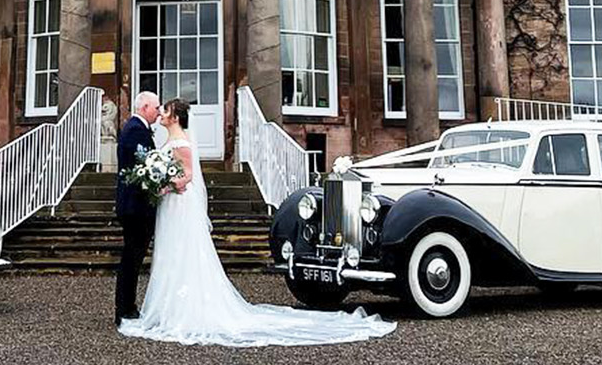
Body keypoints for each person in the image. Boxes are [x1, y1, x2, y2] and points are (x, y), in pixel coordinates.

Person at [118, 99, 396, 347]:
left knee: (183, 253)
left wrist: (165, 186)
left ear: (175, 117)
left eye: (164, 110)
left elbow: (187, 176)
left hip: (177, 203)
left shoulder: (181, 143)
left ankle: (181, 309)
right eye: (158, 109)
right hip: (169, 207)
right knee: (170, 255)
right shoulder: (165, 139)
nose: (160, 114)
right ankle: (166, 308)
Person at [114, 91, 162, 322]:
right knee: (131, 258)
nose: (159, 112)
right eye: (156, 108)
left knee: (133, 257)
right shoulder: (135, 130)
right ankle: (125, 309)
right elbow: (142, 168)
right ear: (144, 107)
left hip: (137, 206)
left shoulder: (137, 128)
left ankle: (128, 306)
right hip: (135, 207)